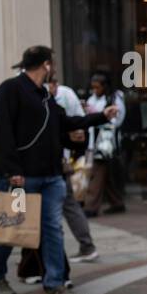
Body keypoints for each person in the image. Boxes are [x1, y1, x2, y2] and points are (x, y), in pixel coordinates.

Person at [0, 46, 117, 294]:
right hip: (21, 177)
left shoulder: (44, 96)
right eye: (52, 64)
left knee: (52, 230)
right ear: (46, 65)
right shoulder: (10, 89)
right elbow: (3, 133)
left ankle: (55, 284)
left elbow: (65, 123)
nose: (53, 68)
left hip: (51, 176)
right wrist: (13, 171)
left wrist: (100, 116)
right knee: (12, 228)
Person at [43, 73, 102, 263]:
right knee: (67, 206)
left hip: (58, 162)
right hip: (59, 160)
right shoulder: (54, 98)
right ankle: (85, 246)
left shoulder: (60, 97)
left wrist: (82, 150)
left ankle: (41, 261)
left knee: (54, 211)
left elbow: (77, 123)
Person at [81, 73, 126, 217]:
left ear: (104, 87)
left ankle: (91, 206)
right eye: (93, 87)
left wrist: (98, 116)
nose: (95, 90)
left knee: (97, 173)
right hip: (94, 141)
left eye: (97, 87)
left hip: (107, 142)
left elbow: (117, 120)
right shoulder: (91, 99)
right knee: (107, 175)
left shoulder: (114, 99)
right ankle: (117, 202)